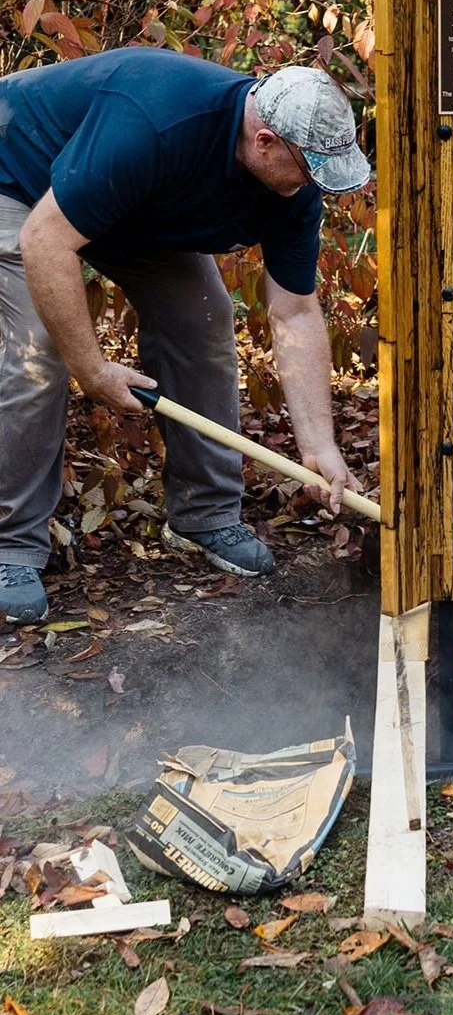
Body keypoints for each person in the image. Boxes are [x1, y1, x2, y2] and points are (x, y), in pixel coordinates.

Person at [0, 47, 372, 624]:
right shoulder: (156, 121)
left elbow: (295, 313)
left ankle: (206, 514)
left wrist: (319, 443)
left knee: (203, 320)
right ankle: (11, 546)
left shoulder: (293, 186)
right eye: (306, 169)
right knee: (39, 351)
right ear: (264, 141)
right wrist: (93, 369)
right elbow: (46, 241)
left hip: (130, 205)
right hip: (19, 180)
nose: (310, 185)